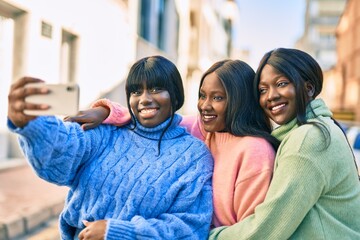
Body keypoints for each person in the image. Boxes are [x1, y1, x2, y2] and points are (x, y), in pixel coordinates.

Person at [7, 56, 214, 240]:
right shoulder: (107, 132)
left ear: (176, 95)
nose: (144, 99)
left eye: (155, 89)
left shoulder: (194, 156)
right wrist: (32, 125)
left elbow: (189, 228)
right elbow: (61, 153)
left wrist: (119, 232)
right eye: (136, 91)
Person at [66, 59, 280, 228]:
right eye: (202, 96)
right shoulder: (202, 128)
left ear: (240, 100)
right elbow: (148, 116)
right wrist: (105, 111)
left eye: (217, 98)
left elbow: (252, 228)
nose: (204, 106)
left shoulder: (255, 151)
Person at [207, 48, 360, 239]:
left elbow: (265, 230)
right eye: (263, 90)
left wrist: (208, 236)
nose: (271, 95)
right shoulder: (317, 128)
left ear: (309, 88)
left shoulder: (308, 140)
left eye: (281, 84)